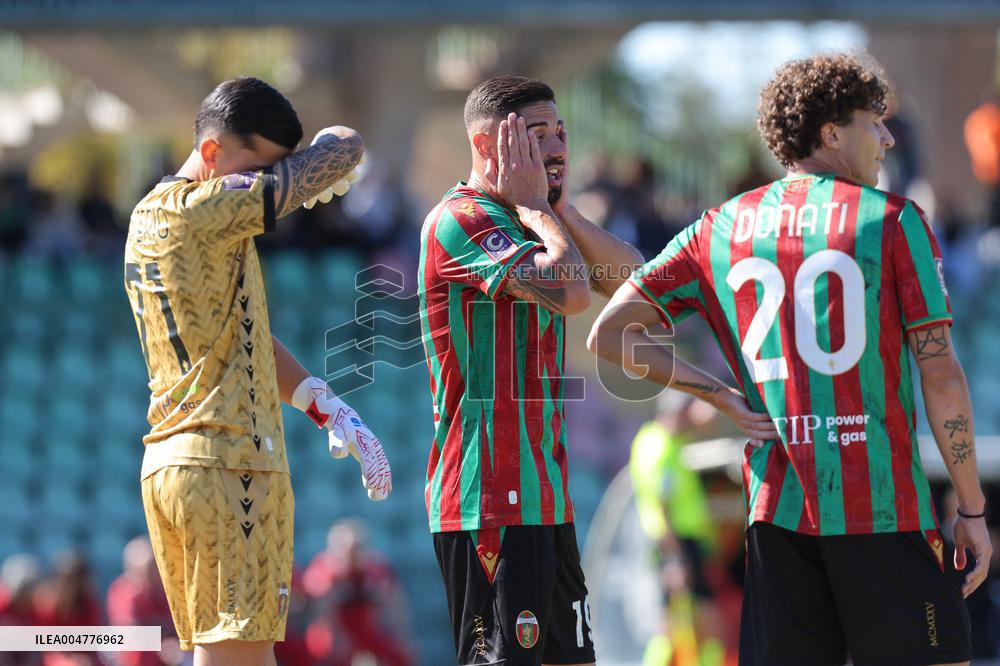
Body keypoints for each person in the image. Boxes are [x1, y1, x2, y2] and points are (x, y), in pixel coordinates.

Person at [588, 53, 992, 666]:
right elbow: (940, 374)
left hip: (777, 515)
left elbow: (610, 333)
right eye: (873, 122)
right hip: (882, 511)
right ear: (831, 134)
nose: (887, 138)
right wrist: (971, 507)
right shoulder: (893, 220)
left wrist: (719, 396)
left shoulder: (717, 228)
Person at [124, 76, 392, 666]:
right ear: (212, 151)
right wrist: (322, 149)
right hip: (229, 464)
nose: (268, 185)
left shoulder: (150, 218)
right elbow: (347, 148)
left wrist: (328, 407)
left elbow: (241, 338)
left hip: (176, 464)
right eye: (259, 170)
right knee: (238, 659)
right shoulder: (202, 210)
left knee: (237, 656)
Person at [417, 75, 643, 666]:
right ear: (486, 145)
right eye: (536, 134)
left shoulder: (536, 220)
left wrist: (557, 208)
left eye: (561, 132)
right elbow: (571, 294)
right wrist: (540, 210)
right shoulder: (460, 218)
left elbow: (634, 280)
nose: (557, 146)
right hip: (488, 501)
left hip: (546, 499)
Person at [630, 392, 724, 666]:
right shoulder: (660, 448)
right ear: (680, 414)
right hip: (676, 544)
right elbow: (660, 506)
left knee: (678, 620)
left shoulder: (659, 441)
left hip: (677, 543)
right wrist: (675, 557)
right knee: (693, 620)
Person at [302, 519, 413, 666]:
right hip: (335, 630)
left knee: (401, 654)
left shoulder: (376, 571)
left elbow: (395, 609)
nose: (351, 556)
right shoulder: (323, 572)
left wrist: (399, 638)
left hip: (366, 629)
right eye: (346, 550)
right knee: (324, 648)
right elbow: (321, 616)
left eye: (356, 549)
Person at [106, 537, 181, 666]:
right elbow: (130, 631)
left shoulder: (162, 591)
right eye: (150, 567)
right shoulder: (124, 591)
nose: (155, 572)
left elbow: (173, 626)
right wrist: (161, 646)